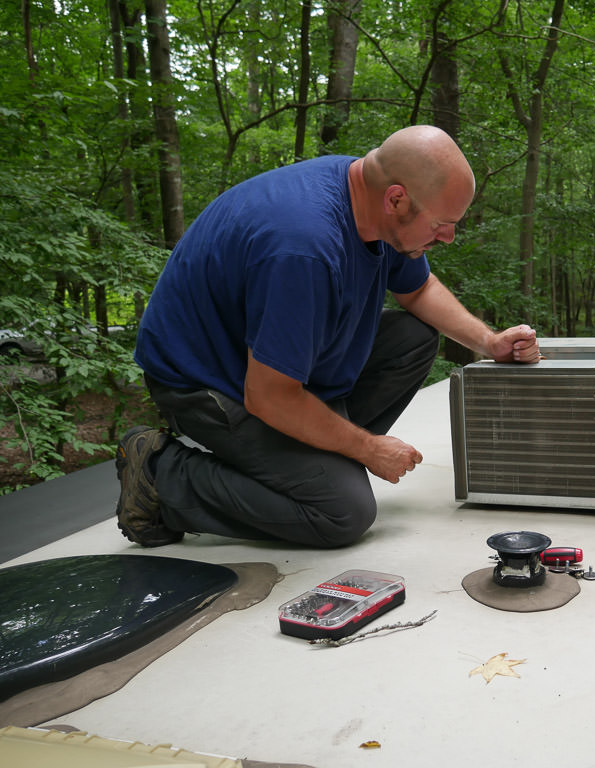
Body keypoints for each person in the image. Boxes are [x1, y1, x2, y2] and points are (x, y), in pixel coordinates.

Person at [116, 125, 540, 548]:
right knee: (342, 511)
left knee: (413, 336)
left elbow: (420, 289)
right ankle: (161, 474)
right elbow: (269, 395)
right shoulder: (304, 248)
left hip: (276, 364)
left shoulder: (369, 197)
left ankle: (308, 459)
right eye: (442, 224)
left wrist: (489, 342)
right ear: (397, 199)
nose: (448, 237)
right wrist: (370, 450)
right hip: (206, 380)